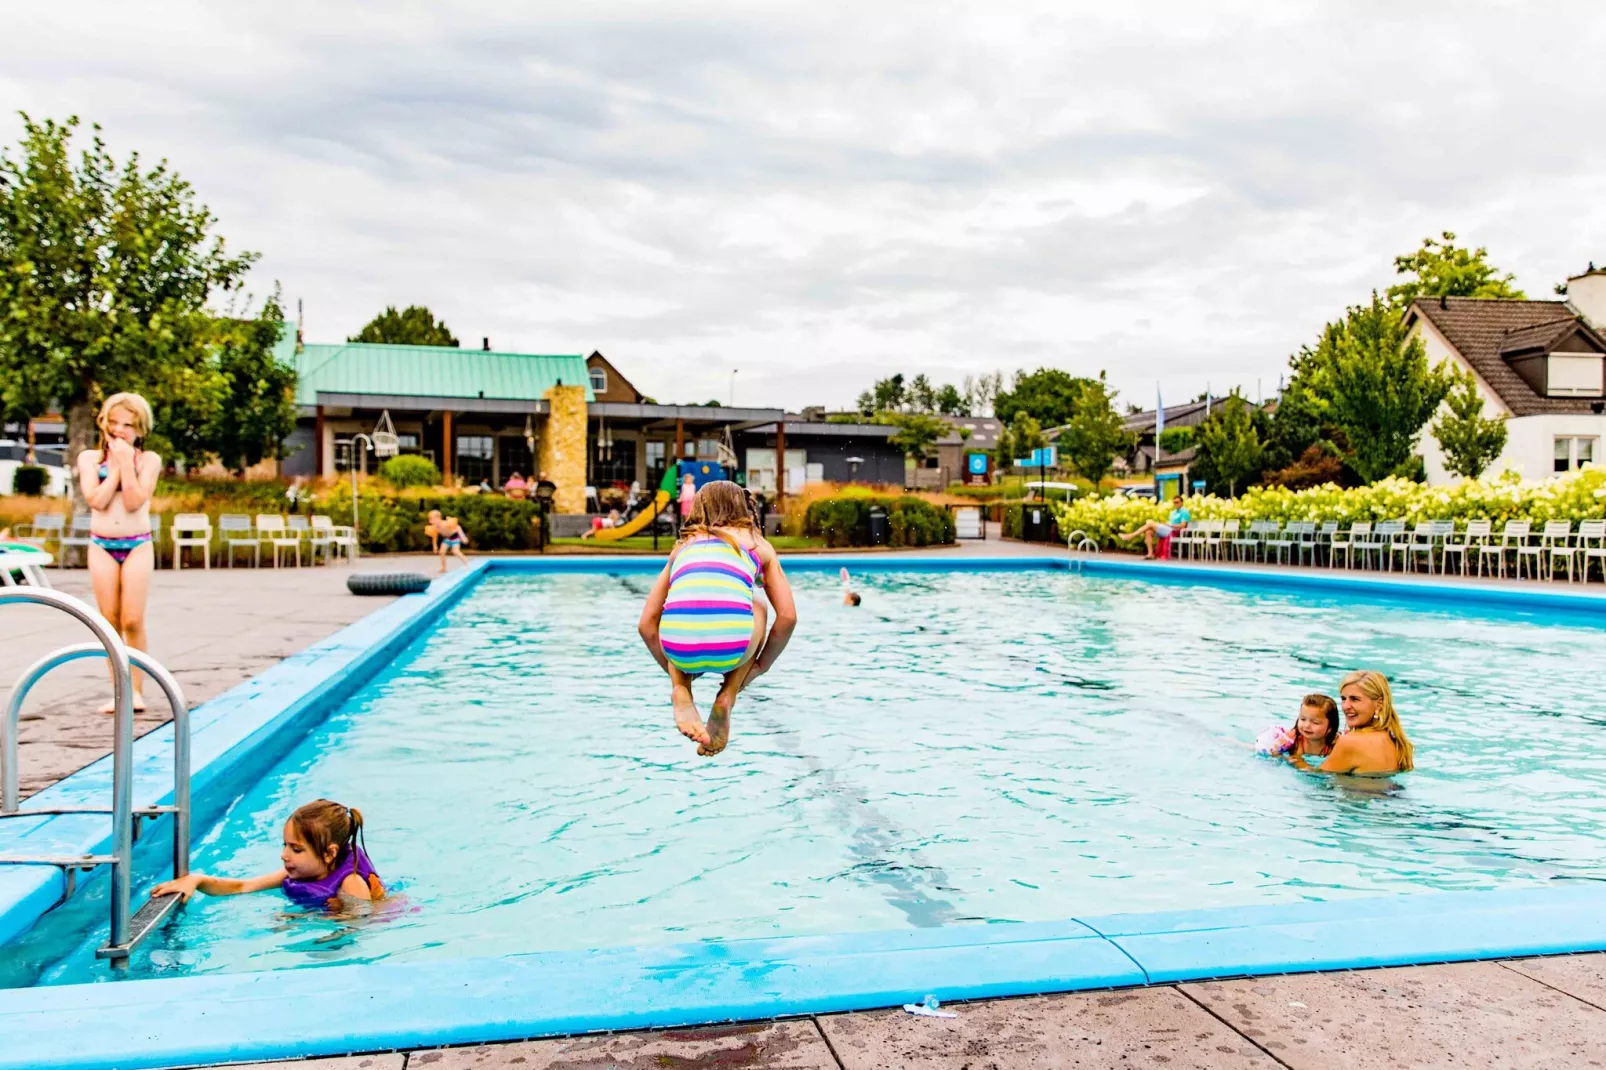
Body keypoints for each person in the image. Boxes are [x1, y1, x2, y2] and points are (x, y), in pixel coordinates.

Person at [638, 480, 798, 757]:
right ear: (745, 508)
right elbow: (787, 617)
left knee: (677, 609)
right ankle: (728, 694)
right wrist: (761, 666)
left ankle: (680, 690)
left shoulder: (682, 546)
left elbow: (646, 624)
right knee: (758, 604)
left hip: (678, 649)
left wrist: (674, 674)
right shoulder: (757, 545)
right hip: (733, 648)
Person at [77, 393, 162, 714]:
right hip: (102, 544)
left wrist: (127, 463)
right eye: (114, 422)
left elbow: (133, 501)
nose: (119, 430)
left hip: (137, 543)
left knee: (133, 619)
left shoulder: (148, 460)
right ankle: (119, 692)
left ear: (140, 429)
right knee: (110, 622)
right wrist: (115, 466)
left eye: (128, 425)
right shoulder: (89, 458)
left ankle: (137, 691)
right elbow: (96, 500)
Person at [153, 799, 383, 912]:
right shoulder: (299, 871)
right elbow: (242, 886)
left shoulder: (351, 883)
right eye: (285, 845)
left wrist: (301, 921)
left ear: (329, 853)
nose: (284, 855)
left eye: (296, 849)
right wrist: (196, 880)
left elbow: (359, 927)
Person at [1291, 671, 1414, 775]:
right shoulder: (1394, 738)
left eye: (1354, 699)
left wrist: (1296, 757)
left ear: (1379, 704)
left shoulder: (1350, 742)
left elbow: (1317, 779)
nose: (1345, 706)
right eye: (1343, 698)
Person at [1252, 694, 1340, 761]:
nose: (1306, 725)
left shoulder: (1336, 745)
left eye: (1315, 722)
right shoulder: (1291, 739)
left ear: (1330, 728)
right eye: (1302, 719)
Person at [1117, 495, 1190, 559]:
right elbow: (1170, 522)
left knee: (1150, 524)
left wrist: (1169, 525)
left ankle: (1131, 536)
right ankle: (1150, 554)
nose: (1176, 504)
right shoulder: (1173, 512)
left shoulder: (1184, 512)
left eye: (1177, 502)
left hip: (1173, 531)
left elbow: (1183, 525)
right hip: (1167, 528)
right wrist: (1165, 524)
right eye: (1174, 502)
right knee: (1148, 532)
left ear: (1181, 502)